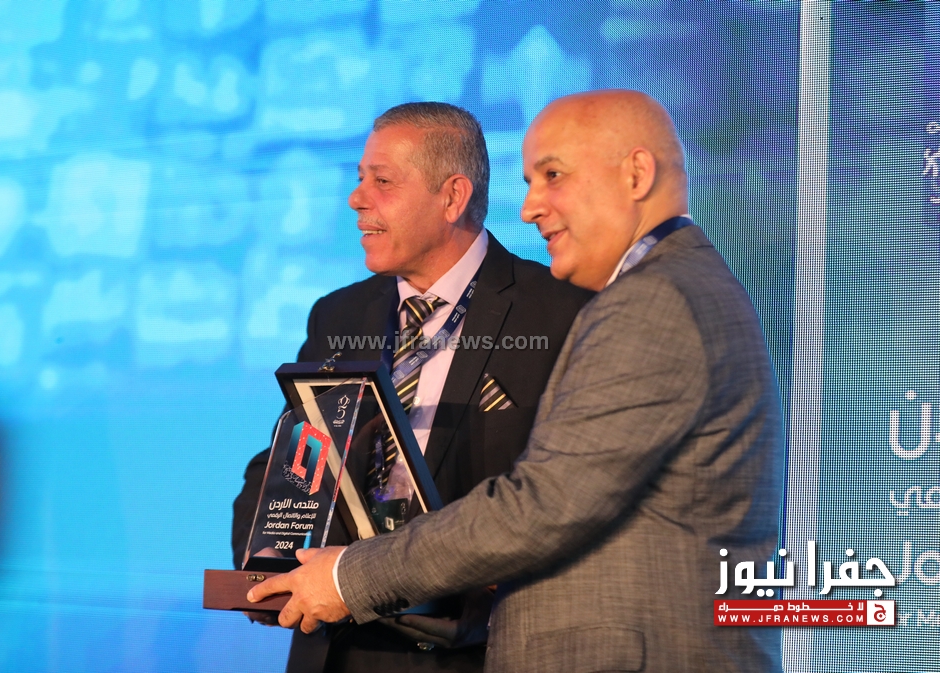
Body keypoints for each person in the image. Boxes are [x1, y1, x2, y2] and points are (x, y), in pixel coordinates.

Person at [247, 90, 786, 672]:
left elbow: (544, 505)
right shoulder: (676, 288)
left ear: (636, 174)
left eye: (553, 176)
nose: (529, 208)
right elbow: (293, 459)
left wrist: (350, 578)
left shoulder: (648, 303)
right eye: (530, 181)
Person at [231, 102, 593, 672]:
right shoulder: (338, 314)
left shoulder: (562, 312)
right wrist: (266, 564)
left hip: (471, 653)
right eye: (359, 179)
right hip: (337, 647)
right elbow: (292, 456)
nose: (357, 199)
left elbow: (560, 504)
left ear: (452, 197)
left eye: (382, 182)